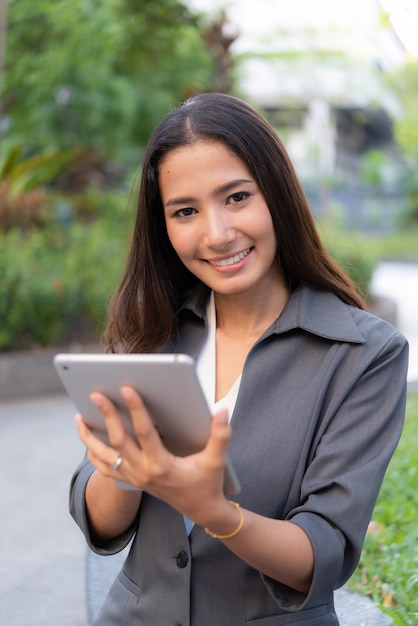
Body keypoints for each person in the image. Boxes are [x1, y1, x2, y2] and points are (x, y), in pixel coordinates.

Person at [70, 92, 409, 625]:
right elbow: (102, 526)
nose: (217, 233)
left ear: (276, 192)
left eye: (235, 197)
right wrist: (122, 471)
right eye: (185, 211)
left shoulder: (363, 355)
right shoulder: (150, 332)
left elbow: (323, 554)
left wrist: (214, 512)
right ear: (164, 227)